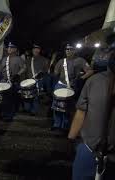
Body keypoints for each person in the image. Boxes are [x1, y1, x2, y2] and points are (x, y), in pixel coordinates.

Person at [68, 37, 115, 179]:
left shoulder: (94, 80)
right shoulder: (94, 80)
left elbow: (81, 112)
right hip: (90, 149)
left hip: (89, 148)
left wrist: (71, 137)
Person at [51, 44, 93, 132]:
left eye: (70, 49)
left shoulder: (80, 60)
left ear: (74, 51)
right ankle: (57, 125)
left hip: (72, 86)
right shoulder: (61, 61)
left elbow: (90, 71)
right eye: (67, 49)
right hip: (60, 85)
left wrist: (81, 78)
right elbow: (56, 73)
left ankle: (65, 126)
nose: (68, 51)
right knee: (57, 106)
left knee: (68, 107)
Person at [0, 42, 26, 121]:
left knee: (11, 100)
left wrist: (18, 74)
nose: (9, 49)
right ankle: (2, 113)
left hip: (13, 82)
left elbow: (24, 68)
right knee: (4, 99)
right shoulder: (4, 59)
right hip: (4, 81)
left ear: (15, 49)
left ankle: (8, 116)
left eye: (11, 48)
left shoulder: (18, 59)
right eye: (8, 47)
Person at [23, 44, 50, 115]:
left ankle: (34, 110)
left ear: (40, 50)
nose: (36, 50)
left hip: (39, 80)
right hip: (29, 80)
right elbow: (25, 69)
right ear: (32, 50)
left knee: (36, 96)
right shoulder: (28, 60)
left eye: (38, 49)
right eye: (34, 49)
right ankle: (27, 108)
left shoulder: (44, 60)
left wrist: (43, 73)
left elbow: (46, 70)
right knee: (27, 95)